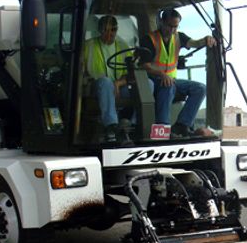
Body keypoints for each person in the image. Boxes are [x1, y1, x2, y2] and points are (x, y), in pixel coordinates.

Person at [141, 9, 216, 137]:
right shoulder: (149, 39)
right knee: (168, 85)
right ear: (161, 22)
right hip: (152, 80)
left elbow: (194, 43)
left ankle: (182, 125)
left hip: (172, 80)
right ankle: (163, 129)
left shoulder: (178, 37)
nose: (172, 30)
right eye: (170, 26)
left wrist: (206, 39)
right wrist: (162, 74)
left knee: (200, 88)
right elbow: (144, 66)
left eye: (175, 26)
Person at [83, 15, 131, 143]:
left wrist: (119, 83)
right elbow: (80, 69)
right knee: (105, 82)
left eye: (113, 30)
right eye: (106, 30)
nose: (110, 34)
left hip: (119, 86)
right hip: (96, 86)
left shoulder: (123, 46)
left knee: (147, 84)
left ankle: (133, 125)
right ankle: (112, 126)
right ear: (99, 30)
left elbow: (131, 72)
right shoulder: (89, 46)